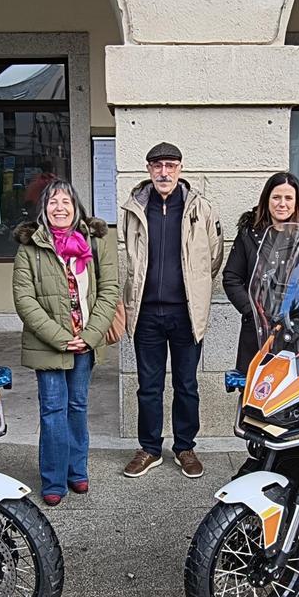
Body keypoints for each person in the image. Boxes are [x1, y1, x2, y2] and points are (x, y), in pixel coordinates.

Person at [120, 142, 224, 480]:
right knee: (148, 386)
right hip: (147, 313)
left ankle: (184, 447)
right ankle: (150, 449)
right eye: (157, 166)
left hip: (186, 314)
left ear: (180, 168)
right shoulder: (135, 208)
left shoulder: (201, 208)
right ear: (148, 169)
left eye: (170, 165)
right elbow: (132, 259)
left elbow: (214, 258)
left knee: (186, 384)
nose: (164, 172)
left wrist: (193, 288)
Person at [12, 179, 119, 506]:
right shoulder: (30, 248)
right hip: (48, 344)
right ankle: (54, 479)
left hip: (85, 341)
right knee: (53, 409)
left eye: (66, 202)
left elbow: (109, 291)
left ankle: (77, 470)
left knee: (77, 407)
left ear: (76, 207)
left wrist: (89, 336)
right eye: (53, 202)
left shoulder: (95, 243)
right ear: (43, 209)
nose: (60, 208)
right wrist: (61, 338)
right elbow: (24, 299)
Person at [223, 172, 299, 373]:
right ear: (267, 199)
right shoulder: (249, 233)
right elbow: (231, 278)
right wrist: (251, 310)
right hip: (258, 329)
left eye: (288, 198)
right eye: (276, 197)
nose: (282, 204)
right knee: (255, 386)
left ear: (297, 202)